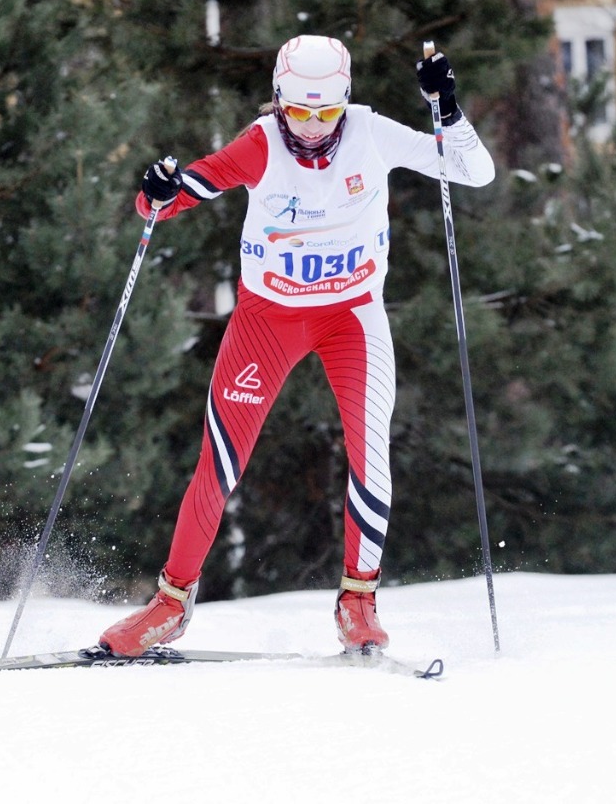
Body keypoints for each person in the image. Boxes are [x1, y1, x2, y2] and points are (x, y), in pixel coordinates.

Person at [99, 34, 495, 657]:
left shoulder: (372, 133)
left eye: (326, 112)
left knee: (372, 453)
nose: (312, 128)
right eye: (299, 112)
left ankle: (357, 601)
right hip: (268, 320)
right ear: (278, 101)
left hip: (351, 318)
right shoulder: (259, 145)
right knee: (219, 462)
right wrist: (154, 190)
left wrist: (447, 111)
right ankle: (170, 604)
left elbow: (474, 170)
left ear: (345, 102)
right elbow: (169, 201)